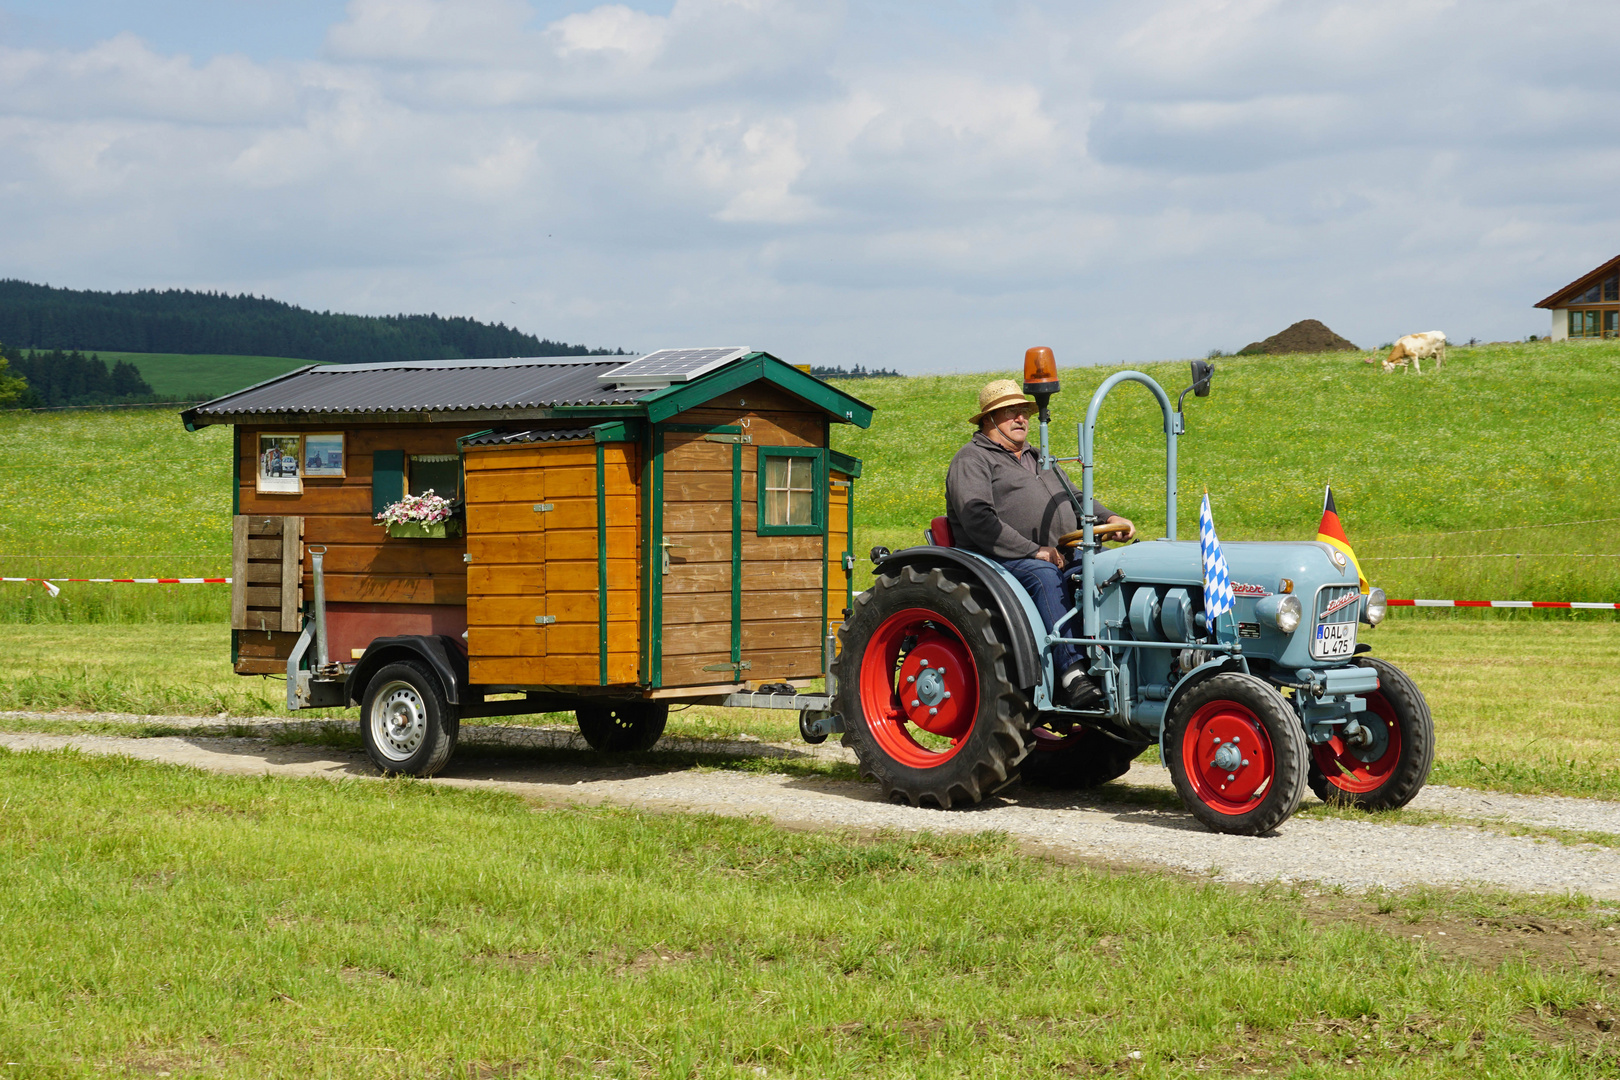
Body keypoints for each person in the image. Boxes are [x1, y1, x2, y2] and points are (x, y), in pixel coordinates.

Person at [945, 379, 1135, 708]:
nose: (1020, 419)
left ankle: (1118, 660)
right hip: (999, 559)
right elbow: (977, 518)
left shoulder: (1041, 458)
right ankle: (1072, 673)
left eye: (1024, 412)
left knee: (1107, 569)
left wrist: (1110, 519)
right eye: (1009, 413)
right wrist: (1033, 550)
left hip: (1058, 552)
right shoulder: (972, 459)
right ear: (988, 420)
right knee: (1044, 576)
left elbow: (1075, 499)